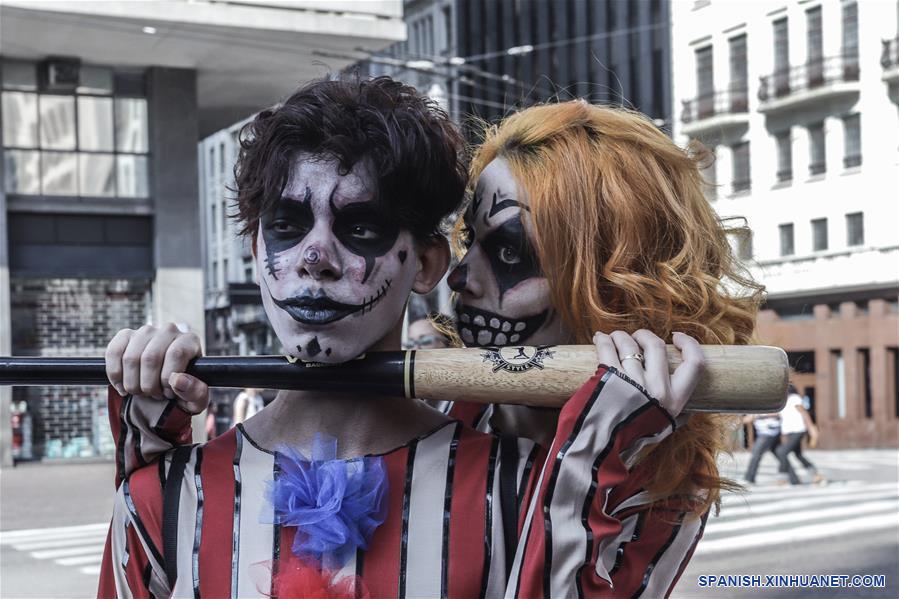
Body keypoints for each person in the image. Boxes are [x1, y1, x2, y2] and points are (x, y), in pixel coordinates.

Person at [98, 79, 707, 598]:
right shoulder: (164, 494)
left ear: (426, 263)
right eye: (286, 224)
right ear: (255, 248)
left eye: (362, 226)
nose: (315, 257)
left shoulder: (540, 494)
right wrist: (150, 448)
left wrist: (590, 471)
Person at [443, 99, 764, 589]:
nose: (459, 276)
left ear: (613, 286)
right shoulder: (431, 417)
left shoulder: (661, 488)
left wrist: (594, 455)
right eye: (471, 240)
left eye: (511, 252)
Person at [777, 384, 824, 484]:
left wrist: (811, 428)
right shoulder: (783, 402)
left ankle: (783, 478)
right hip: (789, 431)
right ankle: (816, 475)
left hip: (798, 430)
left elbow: (804, 413)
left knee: (782, 452)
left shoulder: (795, 398)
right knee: (798, 455)